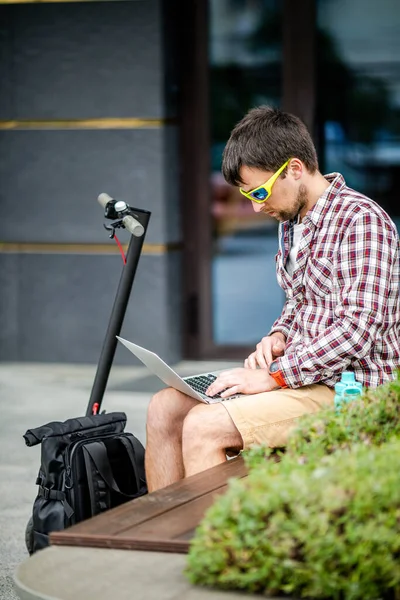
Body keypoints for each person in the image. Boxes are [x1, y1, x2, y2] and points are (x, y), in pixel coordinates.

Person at [145, 106, 400, 492]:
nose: (254, 206)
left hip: (351, 390)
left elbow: (356, 330)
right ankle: (157, 537)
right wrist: (278, 336)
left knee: (204, 425)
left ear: (295, 168)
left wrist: (274, 375)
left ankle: (216, 550)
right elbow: (299, 303)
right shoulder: (292, 220)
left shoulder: (362, 220)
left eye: (260, 191)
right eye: (246, 195)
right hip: (304, 380)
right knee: (165, 408)